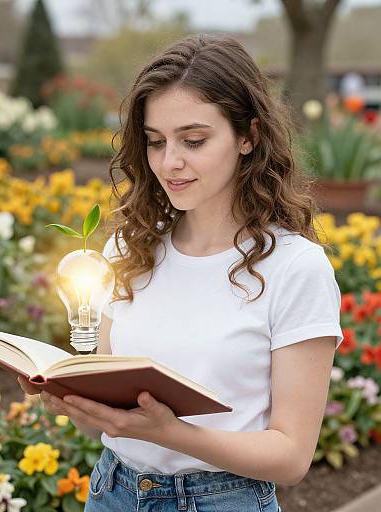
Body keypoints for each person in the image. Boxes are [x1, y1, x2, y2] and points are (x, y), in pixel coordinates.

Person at [18, 34, 343, 512]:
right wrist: (70, 398)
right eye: (155, 141)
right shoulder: (130, 247)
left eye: (194, 140)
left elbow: (291, 456)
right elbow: (106, 423)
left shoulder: (296, 268)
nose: (170, 162)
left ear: (248, 136)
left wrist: (173, 434)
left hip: (224, 501)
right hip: (113, 494)